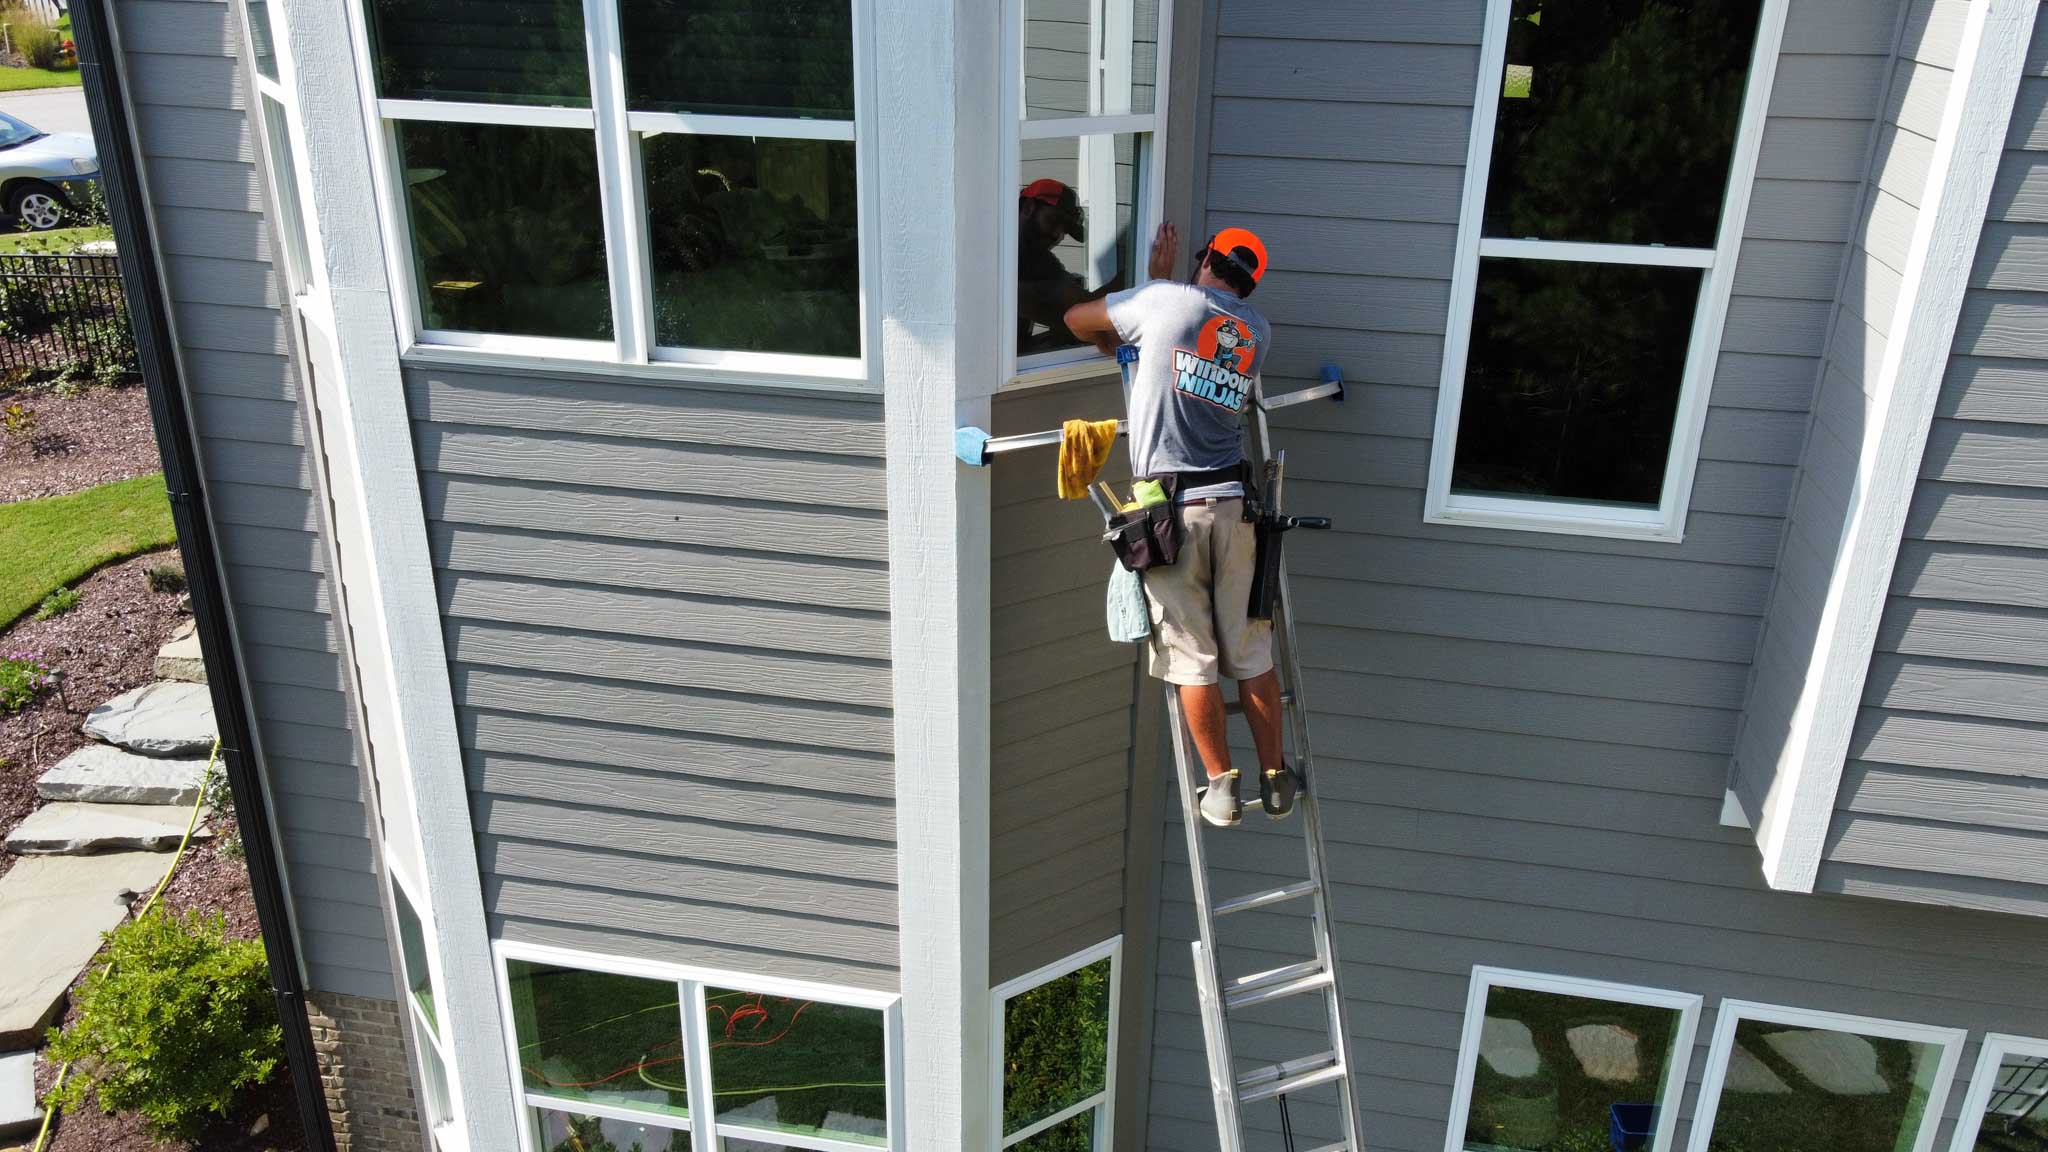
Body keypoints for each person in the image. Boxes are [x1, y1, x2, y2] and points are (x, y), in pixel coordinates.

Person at [1063, 223, 1303, 828]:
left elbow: (1074, 320)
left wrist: (1152, 283)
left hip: (1172, 517)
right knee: (1250, 652)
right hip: (1234, 507)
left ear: (1205, 259)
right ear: (1249, 284)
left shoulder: (1160, 301)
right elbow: (1191, 341)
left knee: (1192, 657)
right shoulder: (1257, 331)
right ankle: (1276, 779)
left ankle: (1221, 790)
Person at [1017, 178, 1127, 355]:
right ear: (1029, 207)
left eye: (1064, 230)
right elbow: (1087, 311)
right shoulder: (1003, 255)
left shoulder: (1039, 260)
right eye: (1053, 220)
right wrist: (1130, 275)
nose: (1057, 235)